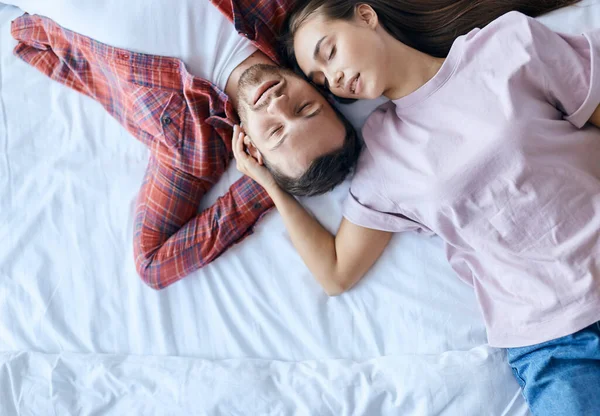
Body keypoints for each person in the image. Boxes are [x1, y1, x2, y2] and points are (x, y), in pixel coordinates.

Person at [231, 0, 600, 414]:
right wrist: (267, 182)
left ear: (366, 15)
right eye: (321, 79)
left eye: (329, 52)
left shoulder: (508, 43)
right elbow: (335, 272)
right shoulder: (383, 155)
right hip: (557, 344)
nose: (333, 77)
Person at [10, 0, 360, 289]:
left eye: (276, 133)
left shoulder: (191, 149)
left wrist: (267, 183)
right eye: (305, 108)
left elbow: (153, 263)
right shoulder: (286, 14)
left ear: (254, 151)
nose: (278, 105)